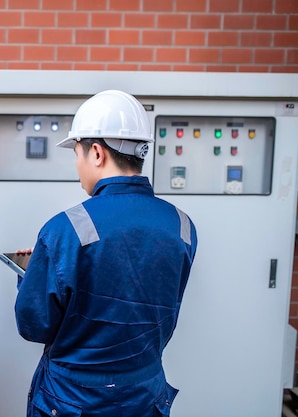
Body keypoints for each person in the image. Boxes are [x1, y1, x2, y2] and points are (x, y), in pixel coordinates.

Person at [15, 90, 197, 417]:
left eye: (78, 154)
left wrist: (33, 276)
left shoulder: (64, 229)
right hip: (145, 395)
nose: (78, 164)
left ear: (97, 153)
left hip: (73, 401)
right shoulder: (182, 225)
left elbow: (34, 324)